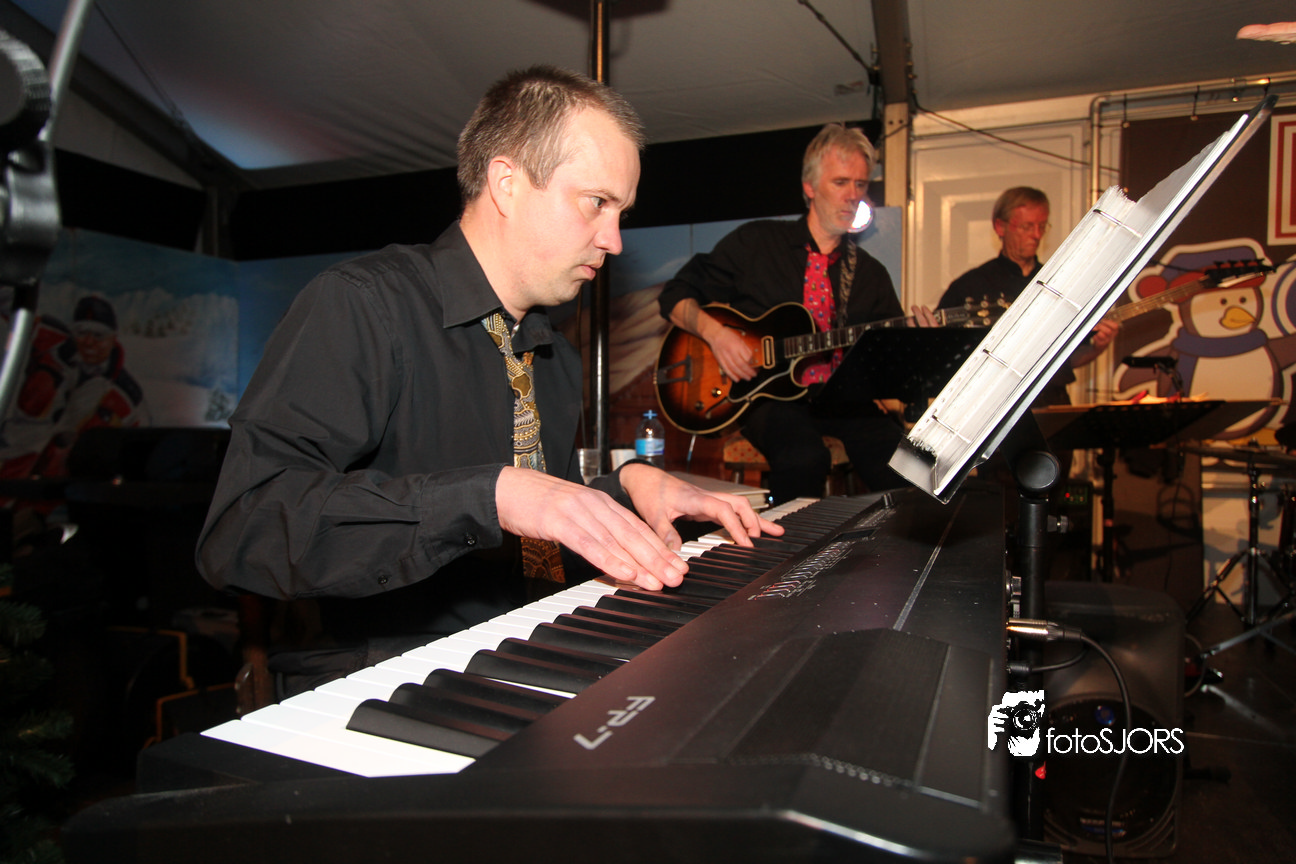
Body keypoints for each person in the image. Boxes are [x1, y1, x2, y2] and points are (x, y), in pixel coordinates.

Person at [196, 66, 781, 696]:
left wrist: (626, 488)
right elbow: (244, 529)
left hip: (522, 658)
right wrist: (488, 495)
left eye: (621, 212)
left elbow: (535, 527)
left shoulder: (554, 357)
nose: (613, 240)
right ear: (507, 184)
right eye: (597, 202)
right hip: (374, 684)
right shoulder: (363, 305)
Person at [658, 123, 910, 504]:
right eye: (841, 182)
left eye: (860, 184)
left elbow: (891, 356)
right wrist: (717, 335)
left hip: (841, 398)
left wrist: (913, 338)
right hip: (768, 398)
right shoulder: (757, 244)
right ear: (810, 186)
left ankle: (908, 538)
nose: (853, 195)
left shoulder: (869, 274)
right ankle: (792, 541)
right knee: (804, 457)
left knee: (905, 462)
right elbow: (675, 295)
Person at [937, 187, 1117, 405]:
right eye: (1027, 227)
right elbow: (941, 359)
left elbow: (1067, 361)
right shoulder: (969, 286)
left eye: (1042, 226)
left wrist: (1097, 347)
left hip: (1051, 403)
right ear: (1000, 227)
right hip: (990, 406)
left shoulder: (1061, 283)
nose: (1037, 235)